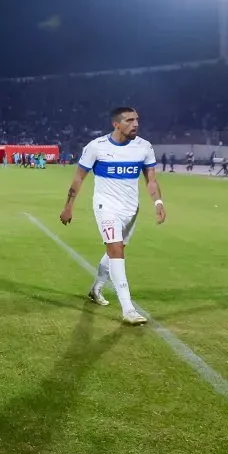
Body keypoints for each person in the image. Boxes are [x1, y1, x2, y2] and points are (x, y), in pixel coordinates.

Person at [59, 106, 165, 326]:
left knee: (115, 250)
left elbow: (151, 180)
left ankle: (96, 289)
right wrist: (68, 206)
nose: (135, 124)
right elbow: (79, 178)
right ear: (116, 124)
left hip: (131, 209)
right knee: (116, 250)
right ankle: (128, 309)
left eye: (137, 120)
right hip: (106, 207)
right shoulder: (96, 147)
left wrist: (158, 202)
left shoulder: (144, 147)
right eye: (129, 120)